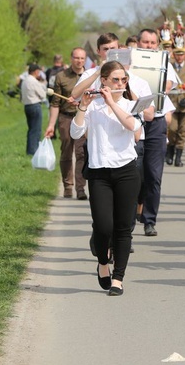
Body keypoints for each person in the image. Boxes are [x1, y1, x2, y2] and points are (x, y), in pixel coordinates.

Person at [71, 61, 142, 296]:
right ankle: (103, 262)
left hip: (126, 171)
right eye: (115, 80)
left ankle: (118, 278)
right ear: (103, 81)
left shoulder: (131, 104)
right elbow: (75, 133)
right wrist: (82, 106)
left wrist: (112, 101)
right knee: (103, 226)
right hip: (99, 173)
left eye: (123, 80)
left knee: (123, 227)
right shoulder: (92, 105)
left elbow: (132, 126)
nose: (120, 84)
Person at [135, 28, 179, 236]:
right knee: (136, 173)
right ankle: (133, 211)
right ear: (138, 43)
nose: (149, 46)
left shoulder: (163, 62)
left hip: (157, 122)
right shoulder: (131, 63)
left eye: (153, 43)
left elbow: (168, 84)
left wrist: (159, 85)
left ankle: (149, 220)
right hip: (133, 121)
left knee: (154, 175)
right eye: (145, 42)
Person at [45, 48, 88, 199]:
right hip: (66, 118)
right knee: (66, 153)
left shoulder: (90, 76)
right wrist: (51, 125)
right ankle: (67, 185)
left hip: (83, 117)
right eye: (76, 58)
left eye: (82, 58)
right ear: (71, 58)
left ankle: (81, 188)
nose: (79, 61)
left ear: (85, 59)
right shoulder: (61, 77)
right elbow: (55, 104)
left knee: (81, 153)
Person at [21, 63, 47, 155]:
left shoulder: (25, 80)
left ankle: (29, 150)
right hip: (35, 105)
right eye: (39, 71)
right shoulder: (34, 81)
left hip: (27, 106)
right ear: (36, 72)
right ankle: (34, 151)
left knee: (31, 129)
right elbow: (43, 95)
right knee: (36, 129)